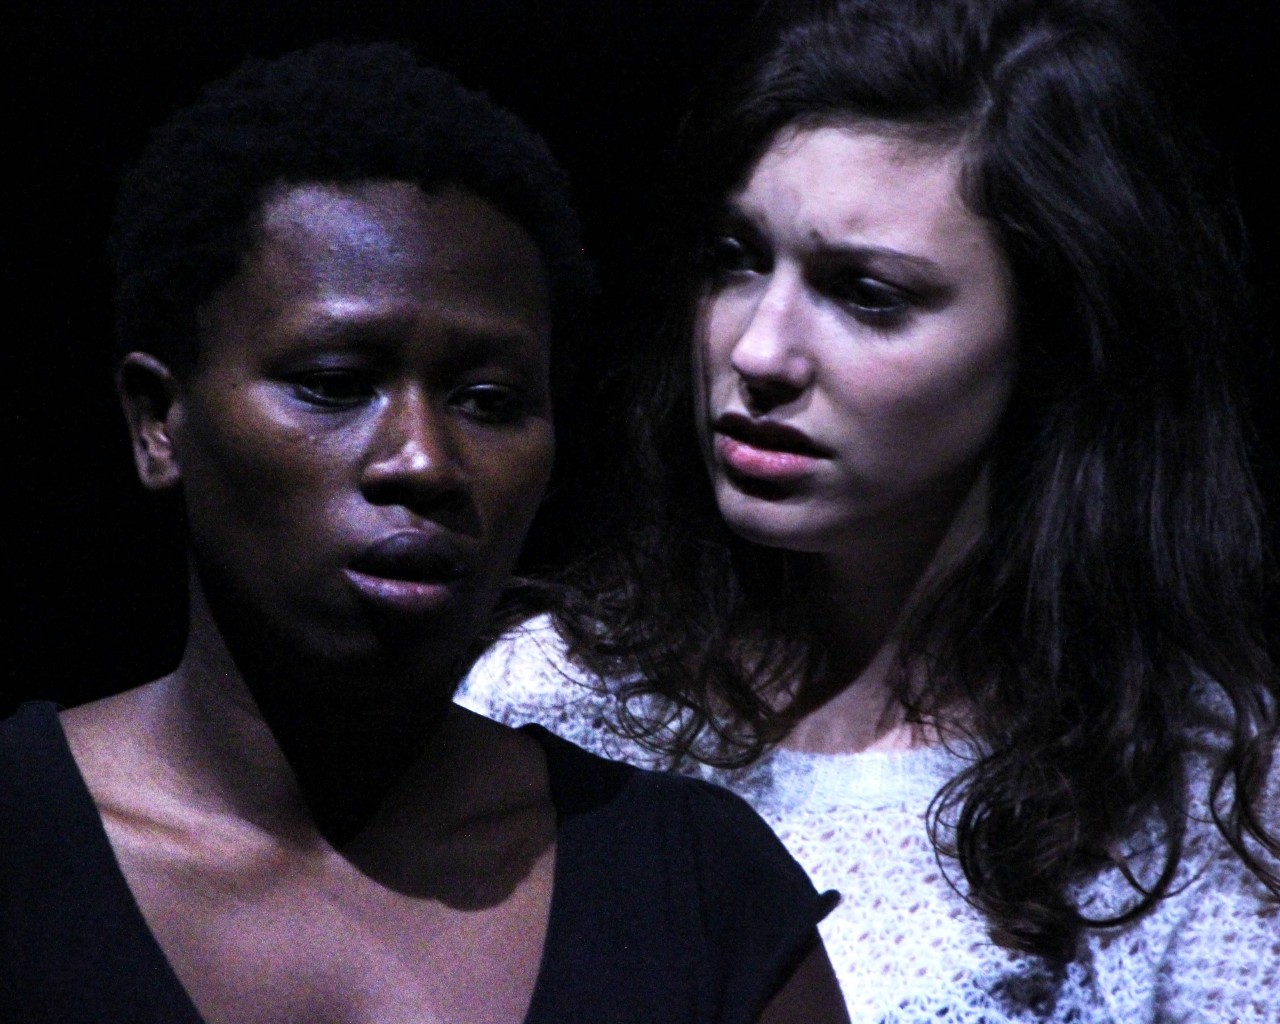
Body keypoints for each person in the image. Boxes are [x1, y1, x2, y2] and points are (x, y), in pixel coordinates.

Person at [458, 0, 1280, 1020]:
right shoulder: (557, 694)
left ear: (1058, 340)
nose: (759, 350)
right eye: (738, 258)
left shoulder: (1202, 791)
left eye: (865, 293)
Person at [0, 42, 849, 1024]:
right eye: (334, 384)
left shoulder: (693, 887)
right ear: (159, 421)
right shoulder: (21, 844)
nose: (423, 460)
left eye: (489, 400)